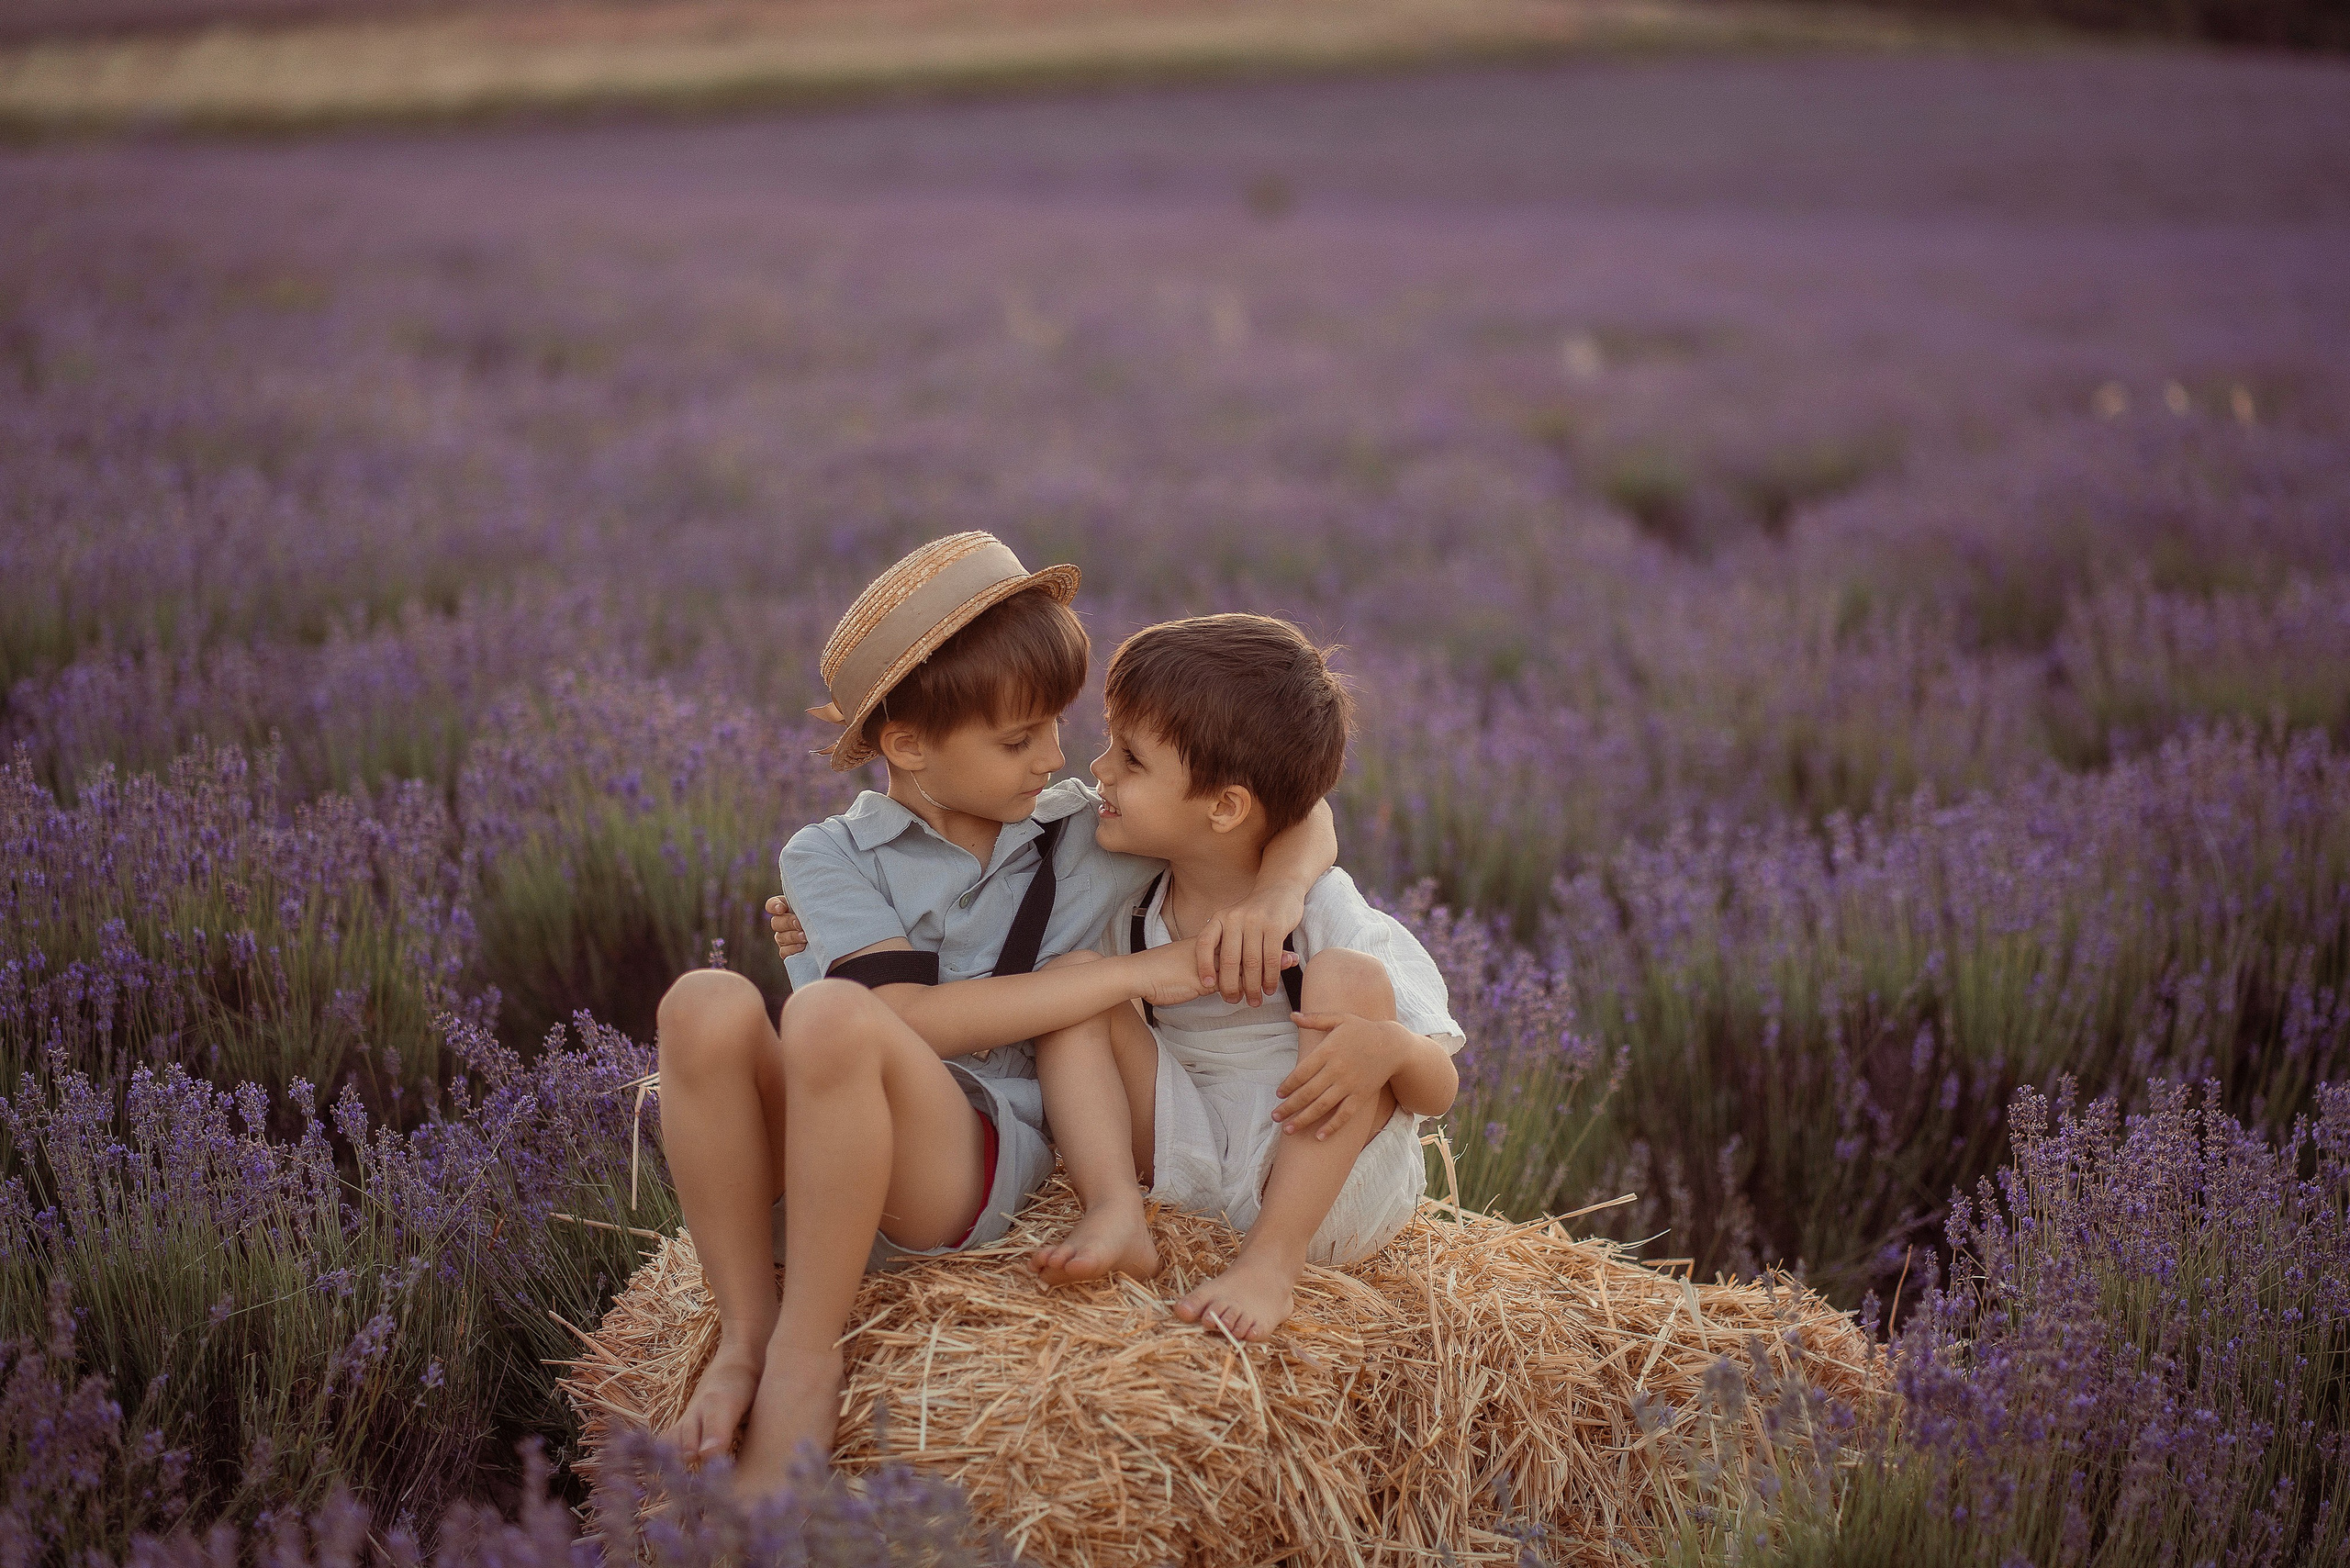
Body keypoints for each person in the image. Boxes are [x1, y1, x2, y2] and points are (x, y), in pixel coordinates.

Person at [653, 533, 1337, 1495]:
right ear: (907, 746)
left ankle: (808, 1361)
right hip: (821, 1148)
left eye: (1058, 725)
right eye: (1019, 740)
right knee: (706, 1001)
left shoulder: (1081, 829)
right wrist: (1125, 975)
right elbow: (903, 1017)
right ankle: (745, 1338)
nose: (1057, 759)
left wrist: (1276, 897)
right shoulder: (828, 856)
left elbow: (1292, 801)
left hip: (960, 1156)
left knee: (826, 1017)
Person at [1034, 612, 1465, 1340]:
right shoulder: (1130, 893)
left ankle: (1272, 1261)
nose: (1099, 768)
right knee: (1077, 983)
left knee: (1350, 978)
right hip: (1186, 1160)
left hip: (1318, 1184)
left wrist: (1391, 1049)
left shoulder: (1317, 905)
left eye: (1130, 759)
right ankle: (1114, 1208)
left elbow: (1439, 1091)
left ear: (1227, 807)